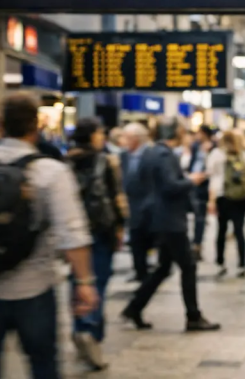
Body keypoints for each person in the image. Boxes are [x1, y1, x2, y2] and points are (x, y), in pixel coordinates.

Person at [0, 93, 97, 379]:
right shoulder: (50, 172)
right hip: (34, 288)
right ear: (36, 127)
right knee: (43, 365)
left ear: (1, 125)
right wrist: (83, 282)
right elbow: (72, 233)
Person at [121, 116, 220, 332]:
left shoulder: (150, 153)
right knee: (188, 266)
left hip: (157, 218)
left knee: (164, 268)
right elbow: (170, 186)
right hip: (170, 220)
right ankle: (193, 316)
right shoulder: (165, 155)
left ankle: (134, 307)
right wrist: (191, 181)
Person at [66, 118, 126, 370]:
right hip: (101, 230)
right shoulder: (107, 161)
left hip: (73, 232)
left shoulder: (65, 162)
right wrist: (121, 226)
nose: (103, 137)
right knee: (98, 281)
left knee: (77, 280)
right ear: (92, 136)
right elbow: (117, 197)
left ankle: (80, 326)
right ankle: (91, 332)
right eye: (100, 133)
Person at [207, 130, 245, 278]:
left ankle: (220, 263)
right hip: (240, 198)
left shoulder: (216, 154)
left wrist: (211, 200)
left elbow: (211, 175)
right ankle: (242, 265)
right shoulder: (243, 154)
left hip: (222, 196)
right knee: (239, 231)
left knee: (221, 230)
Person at [120, 122, 156, 283]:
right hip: (131, 204)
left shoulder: (150, 155)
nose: (123, 141)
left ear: (136, 139)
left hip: (148, 205)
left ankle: (147, 268)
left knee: (146, 238)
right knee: (135, 239)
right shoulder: (123, 156)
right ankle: (139, 269)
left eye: (126, 137)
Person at [187, 125, 215, 260]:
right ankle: (195, 244)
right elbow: (192, 162)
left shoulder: (213, 147)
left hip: (205, 185)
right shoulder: (195, 146)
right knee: (196, 216)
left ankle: (197, 244)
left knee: (200, 217)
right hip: (193, 182)